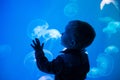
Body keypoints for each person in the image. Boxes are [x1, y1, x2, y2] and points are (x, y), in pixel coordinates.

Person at [31, 20, 96, 80]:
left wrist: (38, 51)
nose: (62, 33)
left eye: (65, 32)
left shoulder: (63, 60)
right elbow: (85, 71)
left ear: (72, 42)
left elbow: (45, 66)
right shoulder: (84, 55)